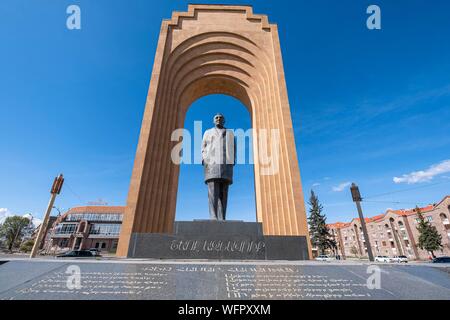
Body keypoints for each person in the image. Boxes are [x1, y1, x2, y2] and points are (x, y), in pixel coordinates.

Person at [201, 114, 236, 221]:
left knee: (224, 193)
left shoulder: (230, 133)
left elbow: (233, 148)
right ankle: (213, 216)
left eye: (221, 118)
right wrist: (204, 159)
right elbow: (203, 147)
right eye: (216, 117)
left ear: (224, 120)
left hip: (226, 165)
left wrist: (233, 160)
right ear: (213, 121)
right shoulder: (207, 132)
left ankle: (222, 217)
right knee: (212, 192)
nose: (218, 119)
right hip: (212, 163)